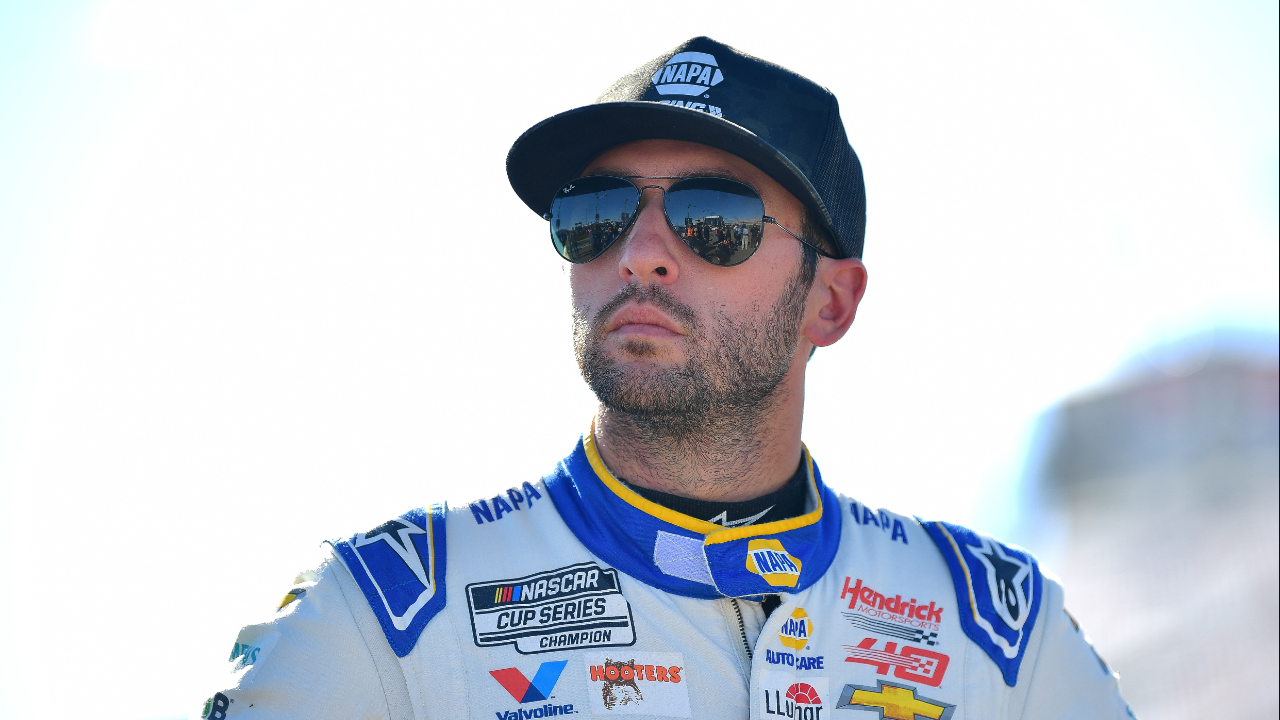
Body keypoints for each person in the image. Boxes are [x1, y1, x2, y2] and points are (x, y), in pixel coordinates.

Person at [199, 37, 1133, 720]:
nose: (641, 256)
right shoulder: (384, 617)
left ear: (832, 304)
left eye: (712, 218)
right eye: (597, 213)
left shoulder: (999, 637)